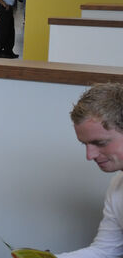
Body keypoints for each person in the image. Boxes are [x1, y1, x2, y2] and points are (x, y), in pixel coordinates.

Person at [57, 83, 123, 258]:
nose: (90, 155)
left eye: (100, 143)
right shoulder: (118, 185)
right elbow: (105, 251)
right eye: (85, 144)